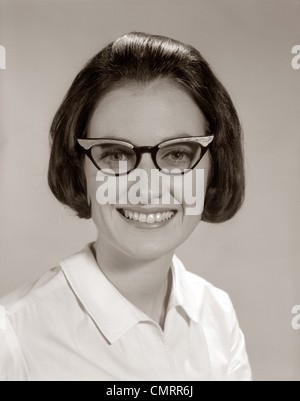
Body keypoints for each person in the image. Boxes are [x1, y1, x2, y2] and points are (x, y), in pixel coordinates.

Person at [0, 32, 252, 381]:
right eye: (116, 155)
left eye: (178, 154)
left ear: (216, 166)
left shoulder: (218, 315)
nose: (146, 187)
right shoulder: (13, 336)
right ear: (79, 168)